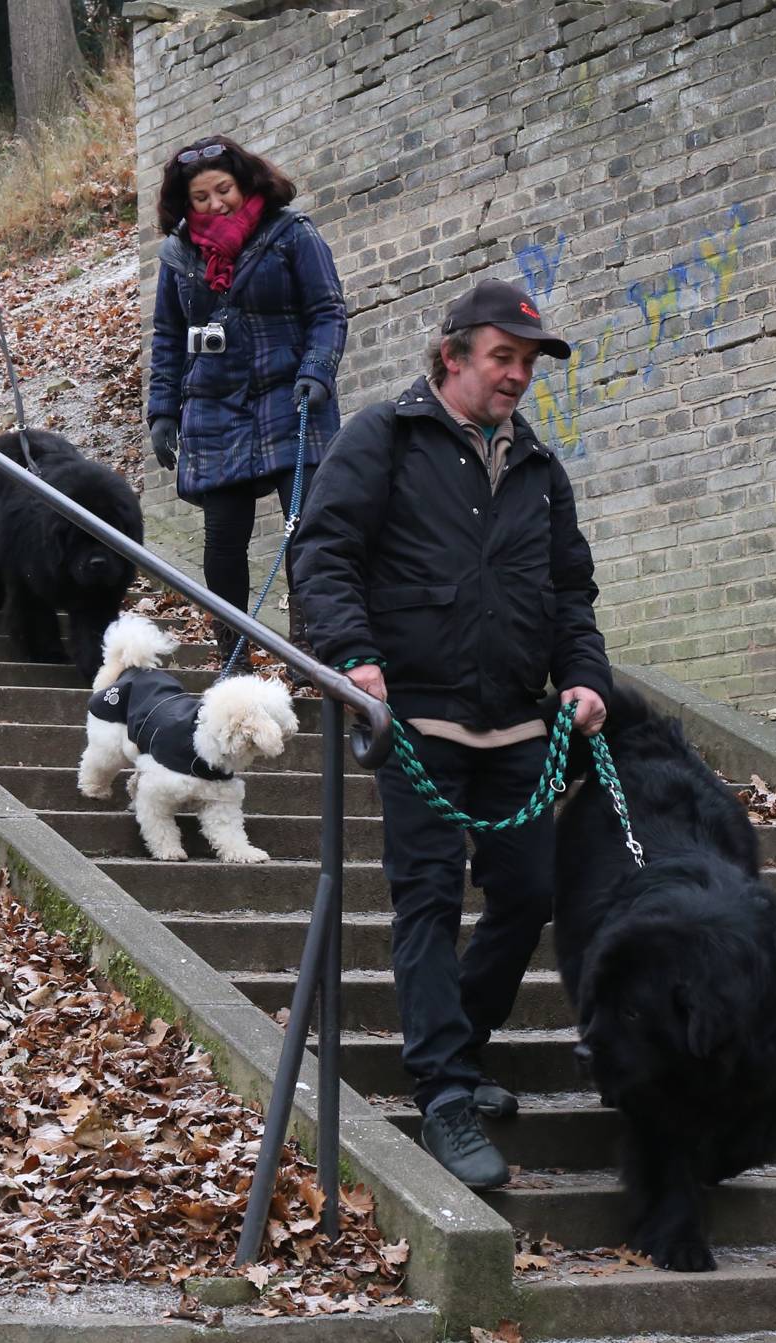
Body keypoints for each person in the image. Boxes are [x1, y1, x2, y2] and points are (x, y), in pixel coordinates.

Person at [291, 278, 613, 1191]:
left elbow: (570, 592)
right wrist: (353, 656)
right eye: (503, 358)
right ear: (452, 356)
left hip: (517, 724)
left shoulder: (540, 470)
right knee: (428, 899)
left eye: (527, 364)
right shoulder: (382, 439)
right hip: (414, 721)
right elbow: (323, 551)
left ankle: (458, 1047)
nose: (517, 376)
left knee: (530, 891)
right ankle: (444, 1095)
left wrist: (586, 676)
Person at [146, 135, 347, 665]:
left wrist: (317, 371)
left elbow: (327, 310)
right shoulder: (179, 255)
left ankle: (310, 651)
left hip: (291, 394)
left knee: (306, 529)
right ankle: (233, 652)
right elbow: (168, 336)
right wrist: (162, 410)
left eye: (224, 190)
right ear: (185, 202)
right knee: (223, 539)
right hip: (214, 404)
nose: (216, 204)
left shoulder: (291, 233)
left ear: (244, 182)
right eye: (201, 197)